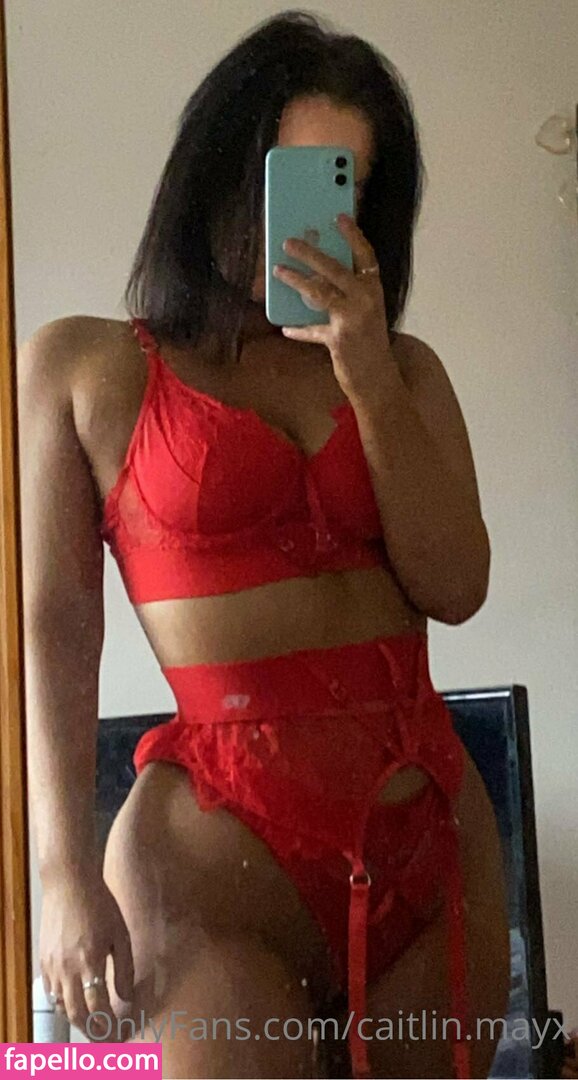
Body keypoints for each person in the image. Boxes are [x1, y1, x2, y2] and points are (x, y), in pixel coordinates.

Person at [19, 10, 510, 1080]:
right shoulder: (84, 368)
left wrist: (367, 370)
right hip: (210, 876)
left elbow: (456, 584)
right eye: (284, 177)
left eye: (342, 187)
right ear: (216, 168)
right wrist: (60, 873)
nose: (299, 221)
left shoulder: (405, 372)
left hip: (429, 846)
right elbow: (54, 628)